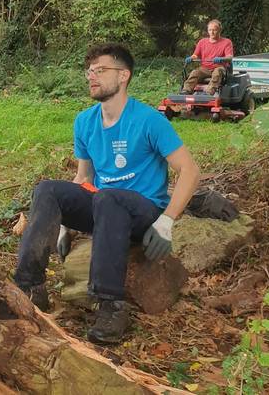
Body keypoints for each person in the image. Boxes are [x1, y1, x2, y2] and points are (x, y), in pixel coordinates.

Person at [14, 43, 199, 345]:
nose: (92, 76)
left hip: (143, 212)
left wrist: (167, 221)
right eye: (89, 71)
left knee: (108, 196)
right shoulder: (84, 121)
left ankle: (111, 305)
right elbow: (83, 178)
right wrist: (63, 224)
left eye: (100, 70)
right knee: (48, 189)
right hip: (104, 207)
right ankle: (29, 287)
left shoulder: (149, 120)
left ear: (123, 75)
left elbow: (190, 171)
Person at [182, 19, 234, 95]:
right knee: (194, 72)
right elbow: (195, 55)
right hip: (205, 69)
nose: (212, 32)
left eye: (214, 30)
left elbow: (230, 57)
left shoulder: (227, 42)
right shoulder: (202, 42)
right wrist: (191, 58)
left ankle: (209, 92)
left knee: (217, 72)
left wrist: (222, 59)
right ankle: (186, 90)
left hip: (219, 67)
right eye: (210, 30)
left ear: (220, 30)